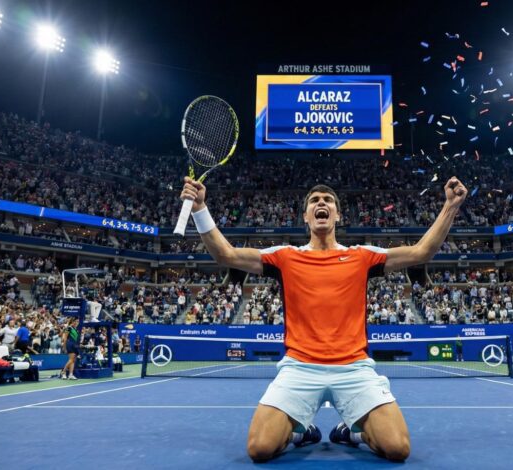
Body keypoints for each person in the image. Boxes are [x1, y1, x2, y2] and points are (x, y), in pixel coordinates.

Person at [180, 175, 468, 462]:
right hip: (300, 368)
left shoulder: (362, 256)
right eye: (314, 201)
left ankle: (350, 432)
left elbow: (421, 252)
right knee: (259, 449)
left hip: (354, 368)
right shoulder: (284, 256)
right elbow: (226, 255)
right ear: (306, 216)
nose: (321, 203)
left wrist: (450, 206)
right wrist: (200, 208)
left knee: (398, 448)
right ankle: (302, 433)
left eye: (328, 200)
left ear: (337, 215)